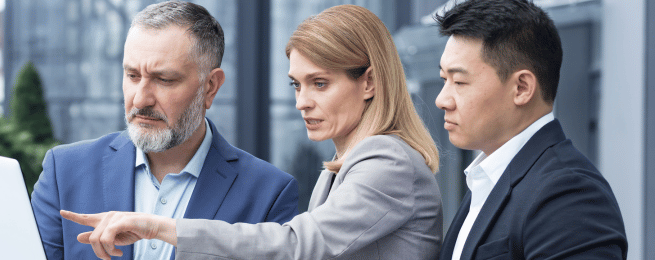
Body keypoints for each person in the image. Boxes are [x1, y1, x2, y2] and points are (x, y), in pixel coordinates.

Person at [61, 5, 444, 260]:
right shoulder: (347, 168)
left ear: (370, 82)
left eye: (320, 83)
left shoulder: (387, 161)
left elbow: (296, 245)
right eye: (297, 84)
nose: (302, 102)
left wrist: (159, 227)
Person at [30, 2, 299, 259]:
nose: (139, 100)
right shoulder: (64, 171)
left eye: (164, 80)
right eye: (133, 76)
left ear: (211, 87)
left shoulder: (269, 194)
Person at [432, 0, 627, 259]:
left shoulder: (568, 194)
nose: (442, 100)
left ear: (522, 88)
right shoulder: (486, 183)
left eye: (459, 81)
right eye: (444, 79)